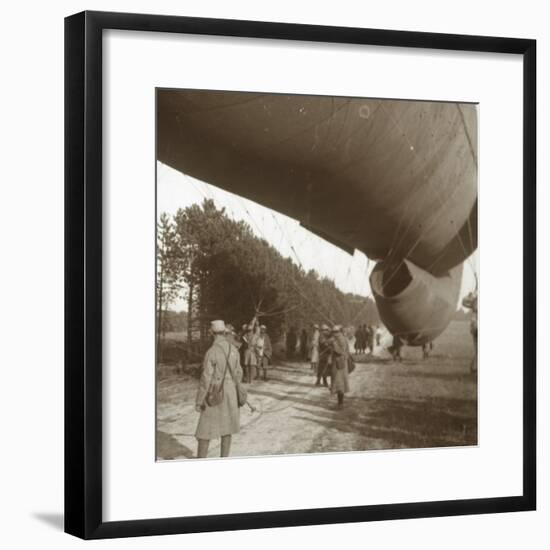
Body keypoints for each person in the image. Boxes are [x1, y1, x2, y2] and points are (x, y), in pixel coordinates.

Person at [195, 320, 242, 458]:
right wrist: (231, 385)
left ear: (212, 333)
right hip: (231, 392)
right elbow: (239, 373)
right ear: (224, 333)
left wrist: (199, 401)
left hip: (214, 392)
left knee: (204, 431)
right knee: (227, 428)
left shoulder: (212, 351)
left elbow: (206, 378)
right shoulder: (234, 349)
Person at [330, 325, 350, 409]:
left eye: (334, 332)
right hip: (340, 363)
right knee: (339, 383)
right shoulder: (341, 337)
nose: (333, 334)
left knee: (339, 383)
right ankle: (340, 403)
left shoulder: (340, 339)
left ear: (338, 332)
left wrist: (333, 344)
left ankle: (340, 404)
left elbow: (341, 351)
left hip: (339, 364)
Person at [462, 290, 478, 372]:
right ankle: (474, 367)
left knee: (477, 349)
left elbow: (464, 302)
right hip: (475, 327)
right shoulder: (475, 302)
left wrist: (470, 296)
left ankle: (474, 367)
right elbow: (464, 302)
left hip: (475, 327)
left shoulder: (474, 302)